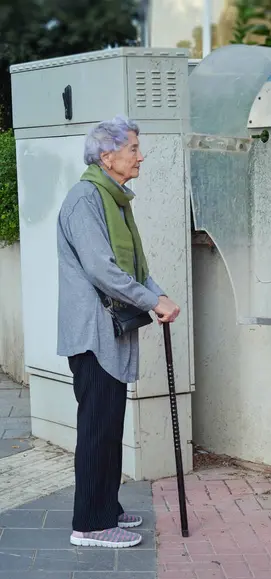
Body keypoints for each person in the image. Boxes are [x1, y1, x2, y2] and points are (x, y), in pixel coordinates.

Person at [57, 116, 180, 548]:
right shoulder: (85, 201)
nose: (139, 155)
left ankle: (105, 507)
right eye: (132, 149)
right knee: (96, 428)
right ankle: (89, 525)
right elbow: (102, 270)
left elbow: (135, 269)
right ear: (107, 156)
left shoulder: (115, 200)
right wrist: (152, 302)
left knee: (109, 426)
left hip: (110, 330)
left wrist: (160, 296)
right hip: (92, 334)